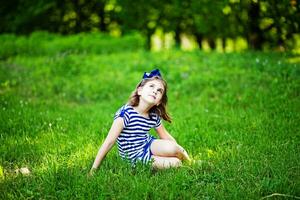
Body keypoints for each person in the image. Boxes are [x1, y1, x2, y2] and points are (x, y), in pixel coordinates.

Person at [89, 69, 191, 175]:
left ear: (159, 101)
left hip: (148, 144)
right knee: (176, 163)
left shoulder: (153, 115)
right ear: (140, 91)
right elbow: (109, 142)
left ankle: (190, 162)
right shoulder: (125, 114)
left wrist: (178, 150)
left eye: (159, 90)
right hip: (134, 157)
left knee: (174, 148)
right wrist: (93, 170)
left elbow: (165, 136)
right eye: (151, 86)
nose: (155, 91)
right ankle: (160, 161)